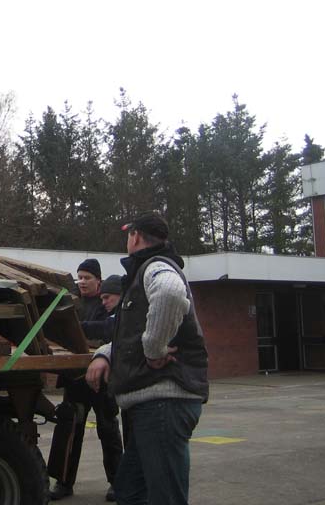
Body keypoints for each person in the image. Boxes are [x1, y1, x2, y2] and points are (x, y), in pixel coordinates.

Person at [86, 212, 209, 505]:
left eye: (127, 233)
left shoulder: (155, 267)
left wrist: (154, 350)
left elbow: (170, 293)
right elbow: (131, 333)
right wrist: (105, 354)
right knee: (129, 490)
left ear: (136, 236)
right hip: (152, 406)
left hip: (163, 403)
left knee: (164, 497)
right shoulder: (143, 273)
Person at [49, 260, 124, 502]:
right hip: (75, 378)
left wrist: (78, 329)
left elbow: (109, 329)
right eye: (79, 277)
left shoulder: (107, 302)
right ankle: (63, 482)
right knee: (69, 428)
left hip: (102, 379)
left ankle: (117, 482)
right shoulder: (72, 303)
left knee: (108, 429)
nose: (82, 281)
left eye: (87, 277)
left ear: (98, 281)